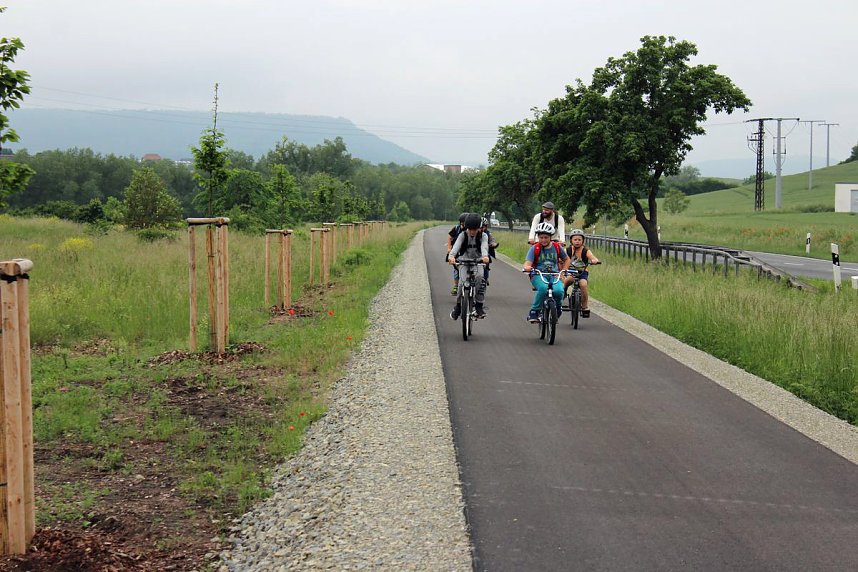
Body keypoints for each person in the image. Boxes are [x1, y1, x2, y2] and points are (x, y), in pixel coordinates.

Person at [522, 222, 569, 323]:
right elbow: (527, 263)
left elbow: (566, 259)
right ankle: (534, 311)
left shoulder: (556, 247)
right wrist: (527, 267)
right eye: (541, 237)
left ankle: (558, 308)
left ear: (551, 237)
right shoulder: (535, 248)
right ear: (538, 237)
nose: (543, 240)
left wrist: (563, 271)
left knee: (559, 291)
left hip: (554, 274)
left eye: (546, 237)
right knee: (543, 288)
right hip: (538, 275)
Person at [448, 213, 490, 320]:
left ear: (479, 228)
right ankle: (458, 306)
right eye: (470, 229)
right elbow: (456, 247)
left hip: (478, 261)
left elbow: (484, 247)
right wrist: (451, 256)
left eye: (475, 229)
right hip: (464, 262)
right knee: (461, 283)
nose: (472, 232)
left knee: (480, 279)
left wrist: (485, 257)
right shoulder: (463, 235)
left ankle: (479, 305)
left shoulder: (483, 236)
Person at [562, 228, 600, 318]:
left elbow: (593, 257)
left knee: (583, 285)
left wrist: (594, 260)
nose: (577, 242)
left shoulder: (585, 251)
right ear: (571, 240)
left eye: (579, 240)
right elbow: (561, 257)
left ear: (583, 241)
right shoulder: (567, 250)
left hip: (582, 272)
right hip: (571, 271)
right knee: (568, 280)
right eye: (575, 239)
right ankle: (563, 291)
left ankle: (584, 306)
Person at [446, 213, 468, 295]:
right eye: (462, 223)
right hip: (457, 251)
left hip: (467, 251)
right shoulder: (456, 228)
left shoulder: (470, 230)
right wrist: (449, 248)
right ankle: (456, 285)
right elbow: (450, 237)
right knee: (456, 269)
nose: (463, 224)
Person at [480, 216, 499, 285]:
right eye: (482, 226)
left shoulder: (488, 234)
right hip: (474, 252)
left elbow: (492, 241)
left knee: (486, 264)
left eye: (484, 226)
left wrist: (493, 245)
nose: (483, 228)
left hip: (484, 252)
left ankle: (485, 278)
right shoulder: (473, 233)